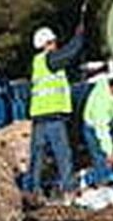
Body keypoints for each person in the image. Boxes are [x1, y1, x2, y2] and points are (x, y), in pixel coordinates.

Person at [26, 24, 85, 201]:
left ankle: (32, 190)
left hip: (39, 116)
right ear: (46, 44)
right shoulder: (49, 60)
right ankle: (68, 189)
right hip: (52, 116)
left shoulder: (38, 62)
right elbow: (70, 53)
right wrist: (79, 37)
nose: (56, 45)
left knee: (37, 156)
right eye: (52, 42)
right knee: (62, 154)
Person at [82, 72, 113, 185]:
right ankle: (102, 182)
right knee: (100, 157)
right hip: (94, 128)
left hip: (111, 125)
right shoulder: (102, 106)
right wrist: (109, 152)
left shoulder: (106, 84)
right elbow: (102, 131)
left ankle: (111, 174)